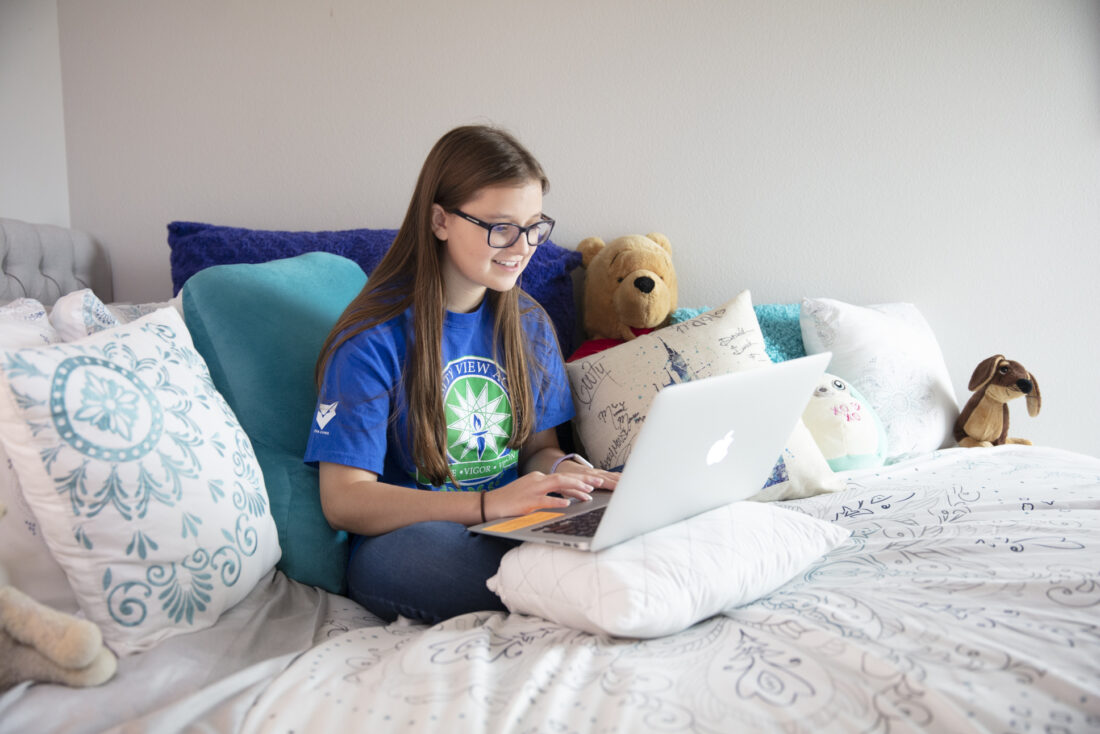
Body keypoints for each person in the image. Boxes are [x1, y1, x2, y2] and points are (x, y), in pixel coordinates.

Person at [306, 125, 619, 624]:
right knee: (449, 557)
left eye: (534, 226)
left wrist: (567, 475)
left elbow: (538, 449)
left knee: (610, 531)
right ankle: (593, 588)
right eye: (500, 227)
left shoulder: (528, 323)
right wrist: (485, 505)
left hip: (511, 523)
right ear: (440, 220)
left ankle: (596, 581)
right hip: (410, 540)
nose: (522, 247)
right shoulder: (371, 340)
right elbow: (344, 501)